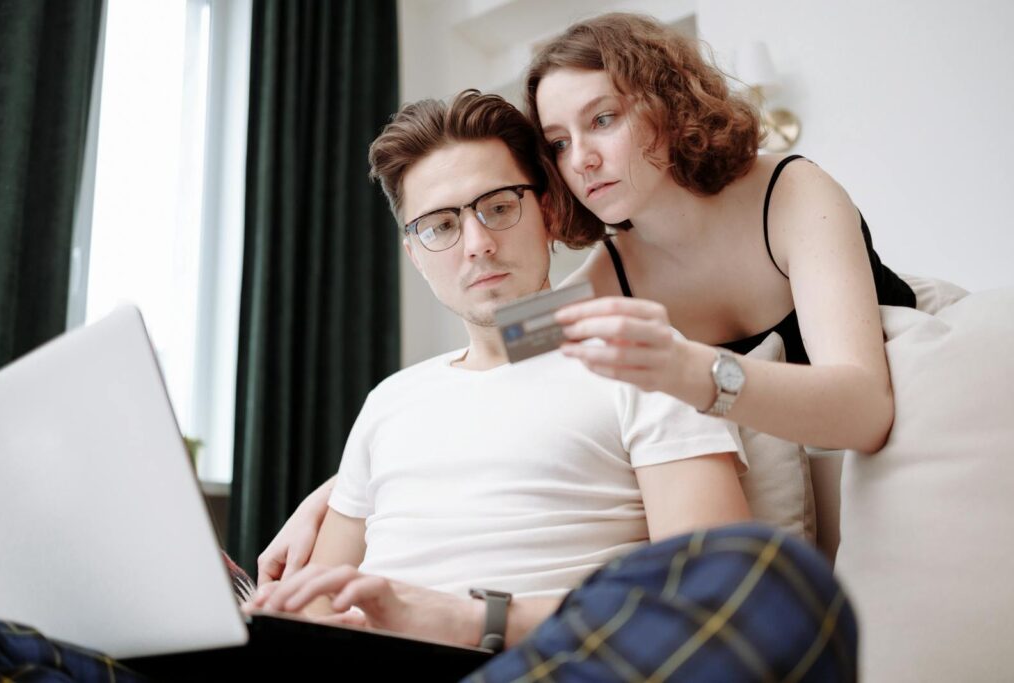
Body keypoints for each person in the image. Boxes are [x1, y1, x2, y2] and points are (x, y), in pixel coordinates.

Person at [245, 89, 856, 682]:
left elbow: (719, 594)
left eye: (500, 207)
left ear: (547, 211)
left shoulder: (644, 360)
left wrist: (469, 619)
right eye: (439, 226)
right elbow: (314, 605)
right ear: (413, 251)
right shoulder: (390, 401)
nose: (478, 245)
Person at [527, 13, 916, 455]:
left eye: (602, 119)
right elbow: (502, 346)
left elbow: (866, 415)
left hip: (929, 433)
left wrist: (693, 371)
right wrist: (515, 222)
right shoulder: (606, 276)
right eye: (559, 143)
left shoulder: (793, 194)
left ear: (668, 103)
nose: (581, 160)